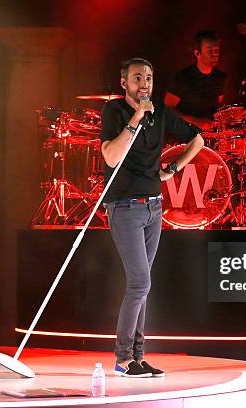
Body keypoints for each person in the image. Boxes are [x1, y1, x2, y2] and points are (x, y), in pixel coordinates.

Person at [100, 57, 204, 377]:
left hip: (154, 206)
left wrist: (172, 169)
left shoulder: (160, 112)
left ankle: (138, 357)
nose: (143, 83)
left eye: (148, 77)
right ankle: (122, 359)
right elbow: (111, 155)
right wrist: (136, 117)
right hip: (124, 207)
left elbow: (198, 140)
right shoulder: (115, 112)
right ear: (124, 83)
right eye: (137, 78)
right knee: (140, 282)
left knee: (142, 286)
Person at [164, 31, 227, 130]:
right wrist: (195, 121)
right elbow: (167, 109)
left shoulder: (220, 77)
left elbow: (218, 104)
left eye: (216, 50)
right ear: (197, 53)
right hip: (185, 134)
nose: (215, 54)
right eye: (210, 51)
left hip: (210, 133)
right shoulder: (182, 77)